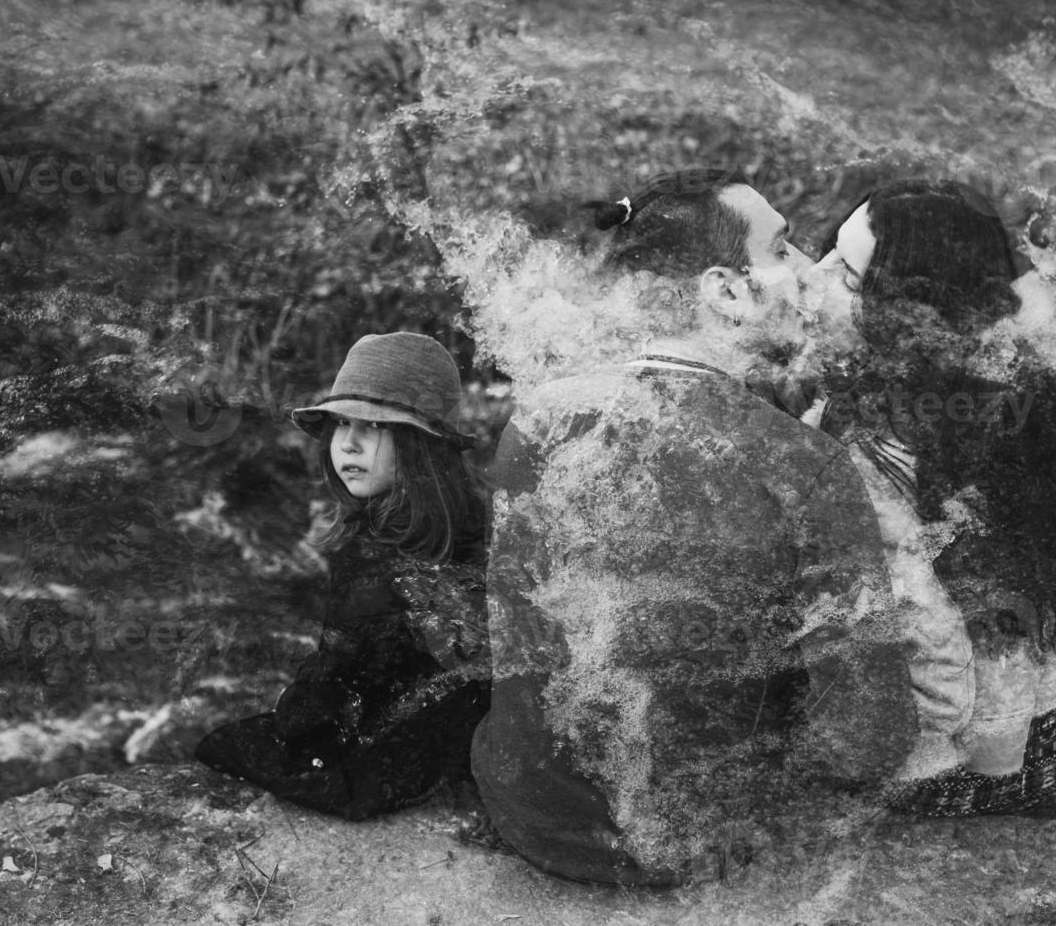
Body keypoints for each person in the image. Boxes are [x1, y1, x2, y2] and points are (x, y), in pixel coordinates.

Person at [471, 170, 918, 886]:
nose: (806, 272)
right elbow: (868, 742)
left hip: (528, 808)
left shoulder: (540, 416)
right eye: (783, 249)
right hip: (689, 839)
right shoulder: (806, 466)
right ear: (726, 291)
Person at [795, 178, 1056, 816]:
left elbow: (927, 638)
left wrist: (906, 759)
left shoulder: (881, 445)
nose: (812, 274)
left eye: (846, 274)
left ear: (906, 308)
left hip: (972, 760)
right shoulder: (1007, 379)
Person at [194, 332, 490, 820]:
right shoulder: (472, 518)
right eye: (341, 423)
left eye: (373, 426)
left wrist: (302, 733)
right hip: (474, 730)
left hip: (414, 754)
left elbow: (339, 675)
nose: (347, 443)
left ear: (420, 443)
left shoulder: (371, 553)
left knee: (229, 745)